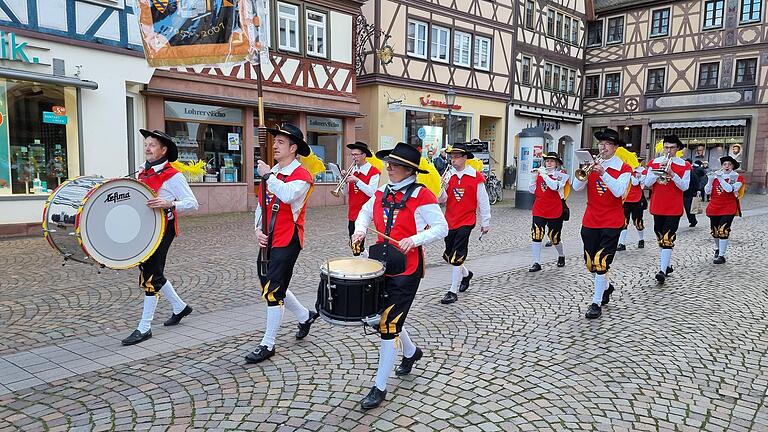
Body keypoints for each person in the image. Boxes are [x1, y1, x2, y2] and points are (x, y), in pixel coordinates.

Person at [351, 142, 448, 410]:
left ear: (409, 170)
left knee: (387, 325)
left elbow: (442, 227)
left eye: (395, 165)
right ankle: (411, 352)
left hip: (407, 271)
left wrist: (415, 239)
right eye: (389, 163)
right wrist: (360, 230)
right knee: (384, 318)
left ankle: (379, 387)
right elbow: (364, 213)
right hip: (380, 266)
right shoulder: (382, 191)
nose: (389, 168)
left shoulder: (422, 195)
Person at [245, 123, 321, 364]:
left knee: (273, 290)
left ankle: (268, 343)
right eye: (274, 142)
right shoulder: (273, 172)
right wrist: (257, 229)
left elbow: (288, 195)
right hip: (267, 238)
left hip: (288, 239)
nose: (275, 146)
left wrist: (268, 175)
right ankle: (304, 315)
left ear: (293, 148)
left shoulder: (303, 176)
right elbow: (261, 205)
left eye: (280, 143)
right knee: (270, 284)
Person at [122, 129, 199, 346]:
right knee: (151, 270)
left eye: (152, 145)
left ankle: (144, 327)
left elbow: (192, 203)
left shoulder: (173, 176)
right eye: (146, 144)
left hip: (163, 229)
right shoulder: (139, 172)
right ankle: (180, 307)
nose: (147, 148)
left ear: (163, 150)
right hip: (143, 229)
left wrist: (170, 203)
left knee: (150, 274)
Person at [571, 129, 631, 319]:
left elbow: (619, 191)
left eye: (606, 144)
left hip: (612, 221)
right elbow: (576, 187)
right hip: (590, 219)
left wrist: (603, 173)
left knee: (601, 261)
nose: (602, 147)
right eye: (600, 144)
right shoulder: (594, 165)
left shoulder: (624, 168)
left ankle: (596, 302)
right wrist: (586, 171)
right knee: (591, 264)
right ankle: (606, 287)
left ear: (615, 147)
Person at [437, 143, 491, 304]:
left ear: (465, 158)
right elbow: (440, 201)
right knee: (448, 255)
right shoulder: (448, 176)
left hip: (467, 220)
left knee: (458, 254)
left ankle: (452, 291)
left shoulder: (475, 176)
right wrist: (442, 189)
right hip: (450, 220)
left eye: (456, 157)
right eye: (451, 157)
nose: (453, 160)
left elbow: (483, 200)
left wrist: (485, 220)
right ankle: (466, 275)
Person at [644, 135, 691, 285]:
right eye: (666, 147)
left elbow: (685, 186)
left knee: (667, 238)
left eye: (672, 147)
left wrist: (672, 174)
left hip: (674, 207)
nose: (668, 150)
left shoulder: (684, 165)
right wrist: (657, 171)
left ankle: (662, 271)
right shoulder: (654, 162)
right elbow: (647, 183)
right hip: (658, 205)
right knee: (660, 236)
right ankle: (667, 265)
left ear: (678, 149)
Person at [527, 152, 569, 271]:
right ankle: (536, 262)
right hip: (539, 208)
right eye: (547, 161)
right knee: (536, 233)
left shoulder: (562, 174)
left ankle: (561, 255)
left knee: (554, 237)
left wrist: (544, 175)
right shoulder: (541, 173)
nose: (549, 163)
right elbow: (532, 190)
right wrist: (533, 178)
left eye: (552, 161)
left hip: (555, 209)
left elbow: (554, 187)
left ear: (556, 164)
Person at [342, 142, 380, 256]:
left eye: (356, 155)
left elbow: (372, 192)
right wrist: (344, 181)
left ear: (364, 155)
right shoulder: (352, 170)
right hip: (352, 211)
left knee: (357, 243)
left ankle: (361, 264)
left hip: (364, 211)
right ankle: (364, 259)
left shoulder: (374, 172)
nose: (354, 157)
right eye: (352, 155)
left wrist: (357, 181)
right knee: (353, 242)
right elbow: (346, 193)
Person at [705, 156, 744, 264]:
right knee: (715, 231)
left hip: (728, 207)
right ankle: (718, 249)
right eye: (724, 164)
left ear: (733, 166)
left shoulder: (736, 177)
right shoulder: (716, 176)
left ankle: (722, 255)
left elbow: (729, 189)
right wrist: (710, 180)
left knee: (723, 230)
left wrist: (720, 178)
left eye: (729, 164)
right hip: (714, 207)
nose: (727, 166)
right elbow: (707, 191)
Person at [617, 156, 647, 251]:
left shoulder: (642, 171)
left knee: (638, 222)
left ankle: (641, 239)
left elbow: (635, 183)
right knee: (624, 222)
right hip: (625, 199)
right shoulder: (626, 170)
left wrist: (633, 174)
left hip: (637, 200)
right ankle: (621, 243)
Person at [683, 159, 700, 227]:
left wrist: (697, 190)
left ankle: (693, 221)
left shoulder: (692, 172)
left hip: (689, 193)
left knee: (689, 208)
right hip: (682, 193)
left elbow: (696, 182)